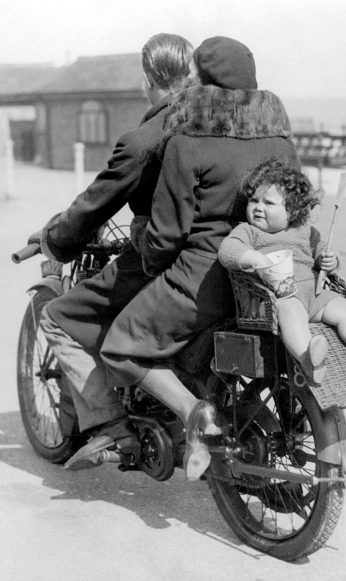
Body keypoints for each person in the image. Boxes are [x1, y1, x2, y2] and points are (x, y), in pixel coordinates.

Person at [83, 36, 302, 481]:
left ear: (200, 83)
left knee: (121, 346)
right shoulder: (279, 140)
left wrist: (146, 262)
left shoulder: (187, 140)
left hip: (202, 277)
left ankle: (194, 414)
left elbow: (166, 236)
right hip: (270, 275)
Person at [29, 33, 193, 464]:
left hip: (155, 256)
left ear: (148, 77)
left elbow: (96, 203)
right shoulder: (208, 124)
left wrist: (55, 240)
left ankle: (108, 424)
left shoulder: (144, 138)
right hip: (207, 256)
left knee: (58, 316)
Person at [218, 158, 346, 384]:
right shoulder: (248, 232)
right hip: (279, 298)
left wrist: (330, 260)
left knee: (343, 308)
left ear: (293, 211)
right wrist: (254, 257)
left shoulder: (303, 230)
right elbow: (228, 250)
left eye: (269, 203)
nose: (258, 207)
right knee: (290, 312)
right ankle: (308, 359)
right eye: (254, 201)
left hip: (313, 295)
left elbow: (320, 249)